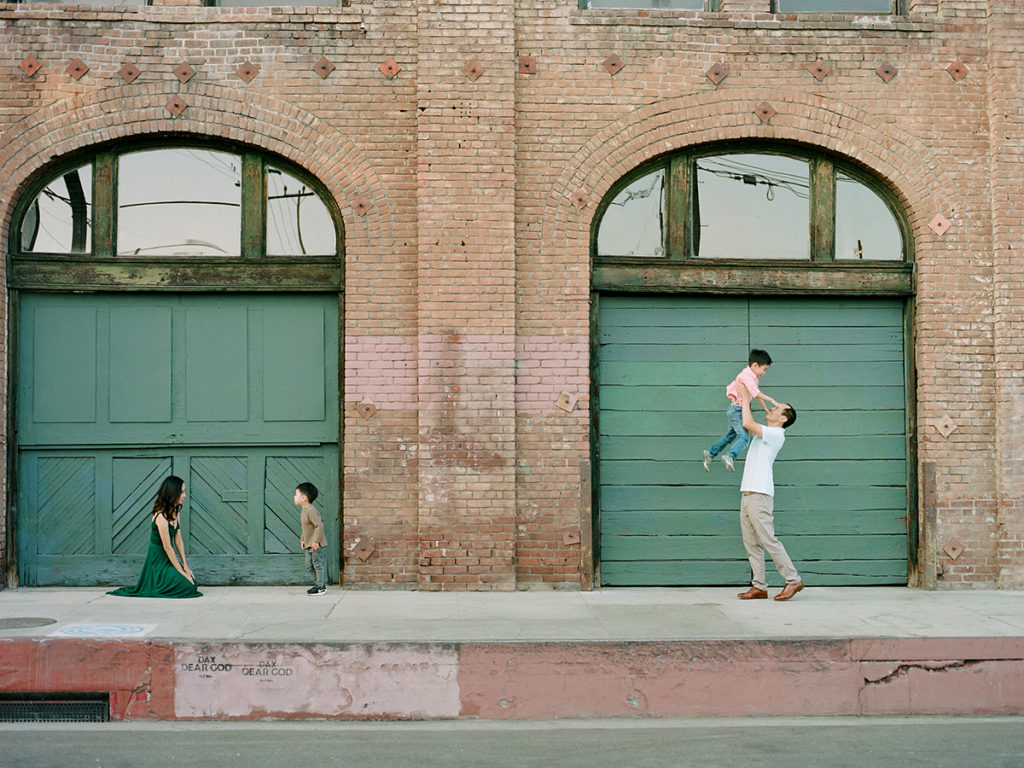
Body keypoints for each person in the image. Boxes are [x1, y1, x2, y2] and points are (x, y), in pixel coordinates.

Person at [733, 381, 804, 602]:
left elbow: (747, 421)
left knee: (768, 540)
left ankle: (793, 580)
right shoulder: (765, 433)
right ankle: (759, 586)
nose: (772, 409)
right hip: (747, 494)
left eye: (777, 409)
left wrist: (745, 396)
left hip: (759, 495)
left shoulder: (776, 434)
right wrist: (757, 401)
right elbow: (748, 425)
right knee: (751, 542)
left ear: (783, 419)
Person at [108, 475, 201, 599]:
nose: (184, 495)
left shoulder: (176, 510)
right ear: (172, 493)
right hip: (158, 561)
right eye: (181, 492)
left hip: (169, 559)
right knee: (188, 586)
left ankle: (174, 579)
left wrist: (185, 566)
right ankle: (159, 584)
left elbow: (178, 539)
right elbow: (168, 547)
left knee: (193, 584)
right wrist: (181, 572)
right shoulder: (161, 516)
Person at [704, 349, 780, 472]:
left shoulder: (753, 378)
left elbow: (755, 394)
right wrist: (771, 400)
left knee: (730, 436)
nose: (764, 373)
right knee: (745, 438)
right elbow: (756, 393)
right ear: (755, 365)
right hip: (737, 411)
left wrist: (765, 408)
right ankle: (730, 456)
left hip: (735, 410)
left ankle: (711, 453)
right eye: (764, 369)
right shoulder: (746, 376)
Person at [296, 481, 327, 596]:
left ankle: (320, 587)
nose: (294, 497)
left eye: (296, 495)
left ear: (303, 498)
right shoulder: (304, 511)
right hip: (308, 543)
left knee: (317, 565)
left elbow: (319, 526)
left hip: (316, 544)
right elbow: (306, 528)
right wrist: (302, 539)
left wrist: (315, 541)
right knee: (309, 565)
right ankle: (318, 583)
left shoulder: (311, 510)